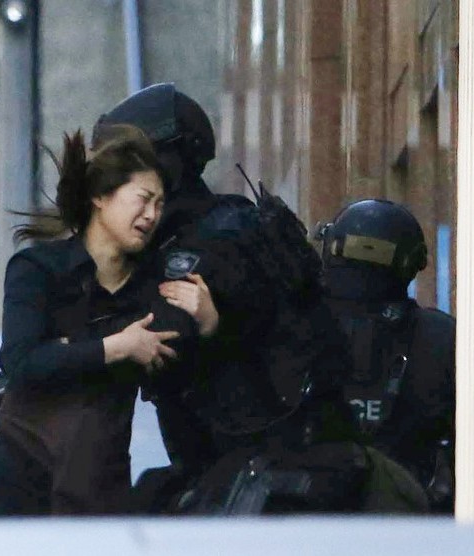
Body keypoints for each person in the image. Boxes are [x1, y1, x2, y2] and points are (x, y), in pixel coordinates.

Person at [93, 84, 428, 515]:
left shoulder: (207, 246)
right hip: (261, 463)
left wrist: (69, 351)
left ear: (166, 164)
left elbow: (162, 329)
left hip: (277, 472)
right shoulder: (215, 226)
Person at [0, 124, 216, 516]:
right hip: (10, 483)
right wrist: (117, 347)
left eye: (160, 205)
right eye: (143, 199)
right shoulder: (38, 268)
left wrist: (208, 323)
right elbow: (22, 364)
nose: (152, 214)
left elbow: (180, 372)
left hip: (94, 495)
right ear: (101, 198)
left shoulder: (154, 288)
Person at [316, 199, 456, 513]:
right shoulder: (440, 337)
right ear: (410, 264)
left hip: (300, 521)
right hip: (411, 524)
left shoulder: (294, 328)